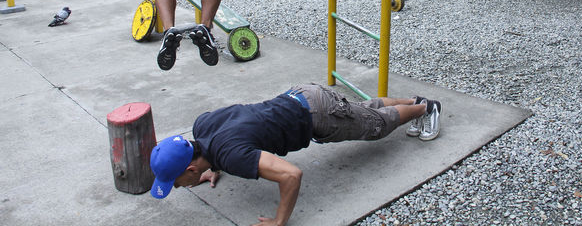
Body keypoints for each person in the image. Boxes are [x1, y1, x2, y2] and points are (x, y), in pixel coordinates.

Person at [149, 83, 442, 226]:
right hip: (299, 96)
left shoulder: (231, 155)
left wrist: (279, 222)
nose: (177, 187)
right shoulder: (202, 128)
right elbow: (226, 133)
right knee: (364, 111)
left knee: (376, 125)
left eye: (175, 183)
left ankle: (427, 109)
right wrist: (213, 167)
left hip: (318, 115)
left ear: (189, 169)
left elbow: (291, 175)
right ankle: (414, 101)